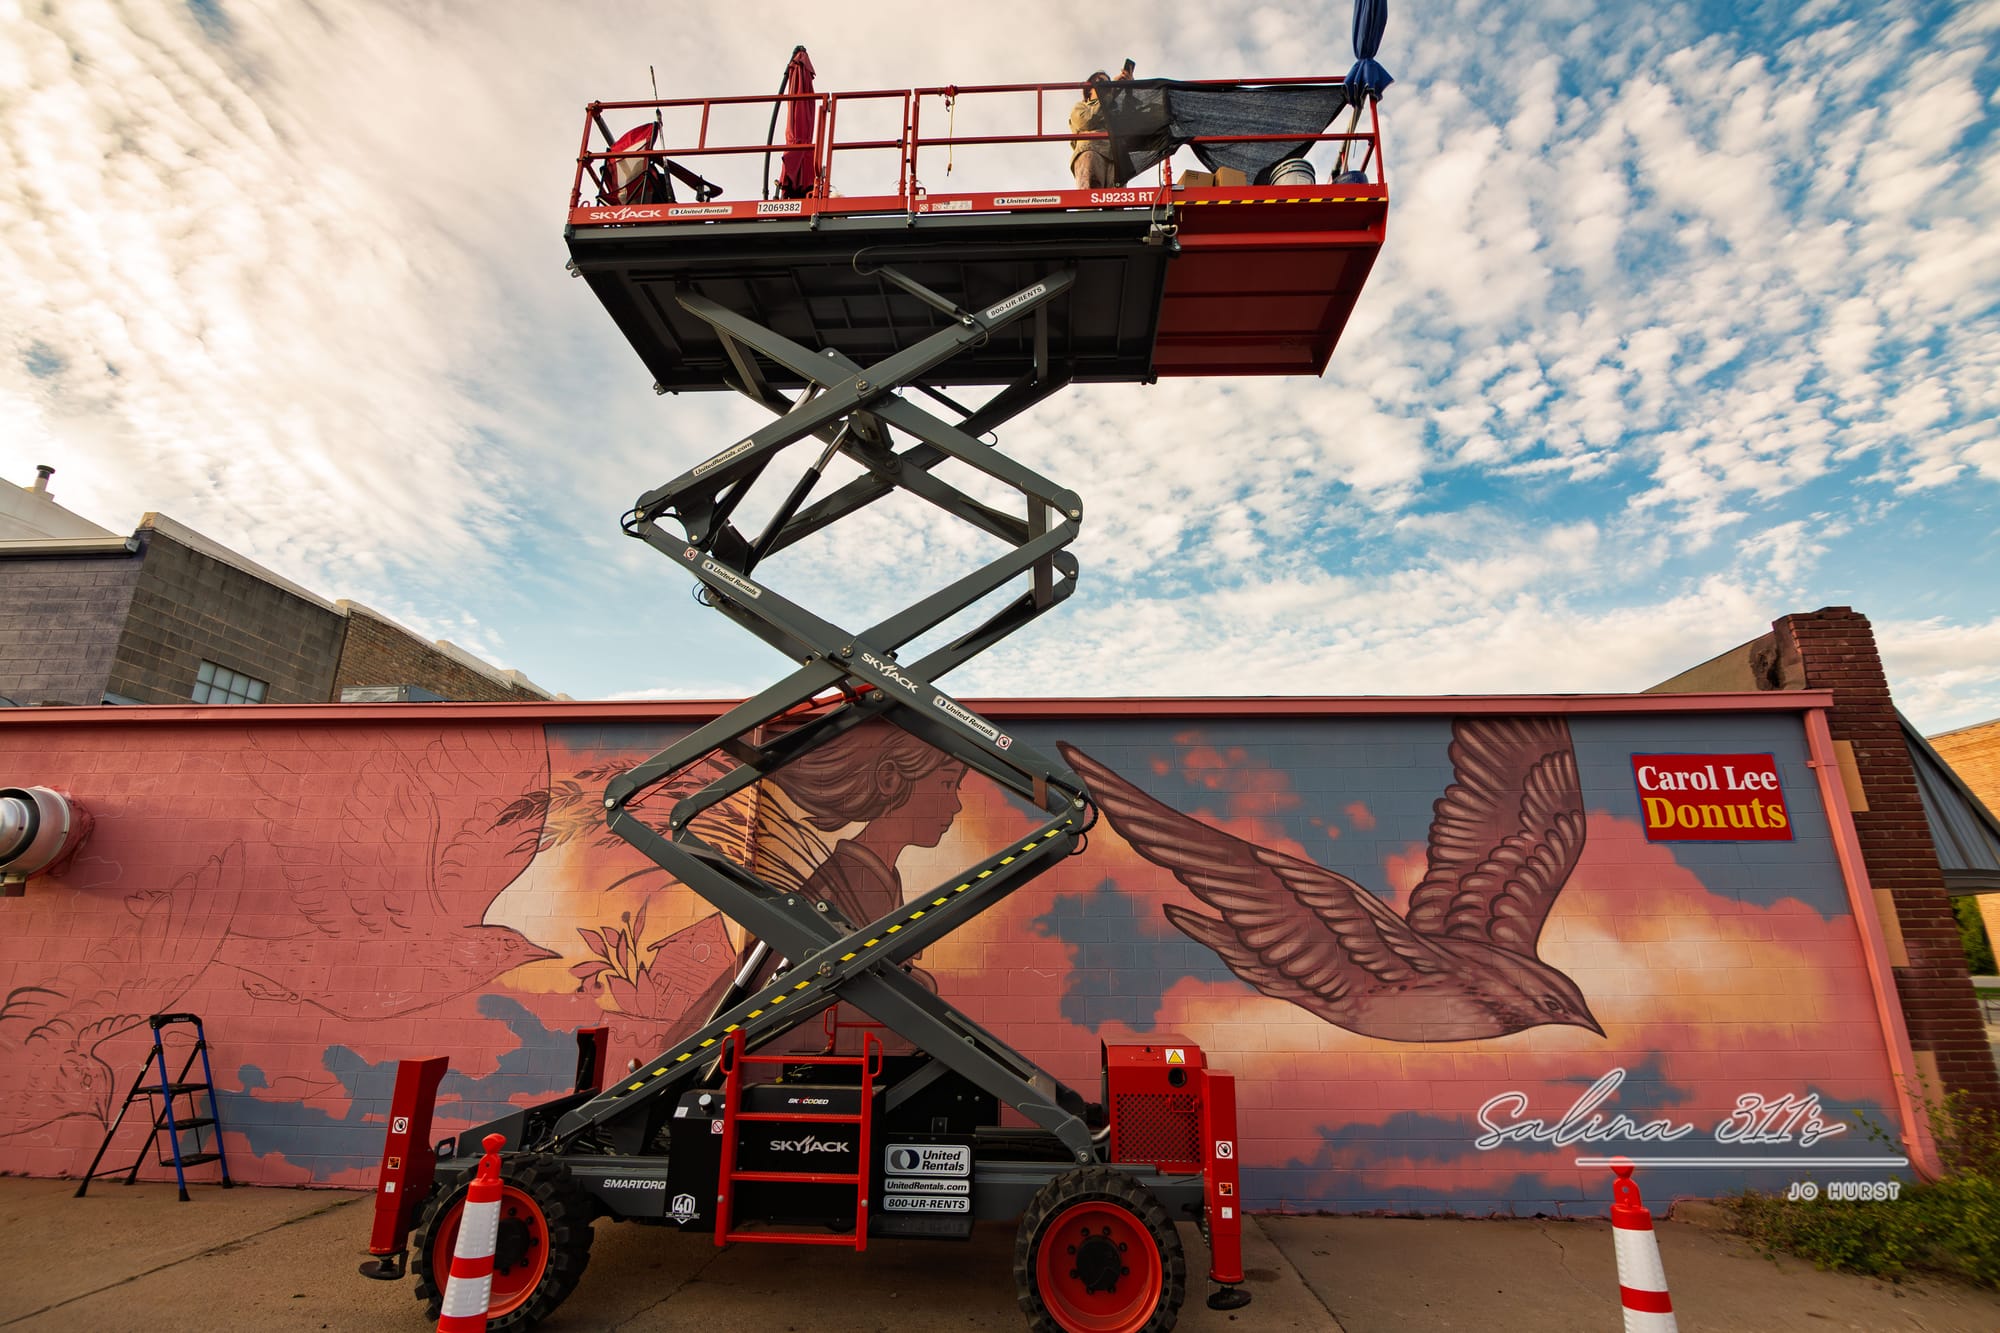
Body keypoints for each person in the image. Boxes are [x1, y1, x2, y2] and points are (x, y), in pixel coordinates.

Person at [1069, 64, 1133, 188]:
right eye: (1100, 82)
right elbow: (1086, 122)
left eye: (1108, 83)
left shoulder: (1115, 110)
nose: (1105, 85)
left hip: (1115, 157)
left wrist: (1129, 88)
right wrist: (1110, 94)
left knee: (1117, 198)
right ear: (1089, 89)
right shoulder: (1081, 107)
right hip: (1091, 151)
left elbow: (1132, 121)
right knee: (1089, 196)